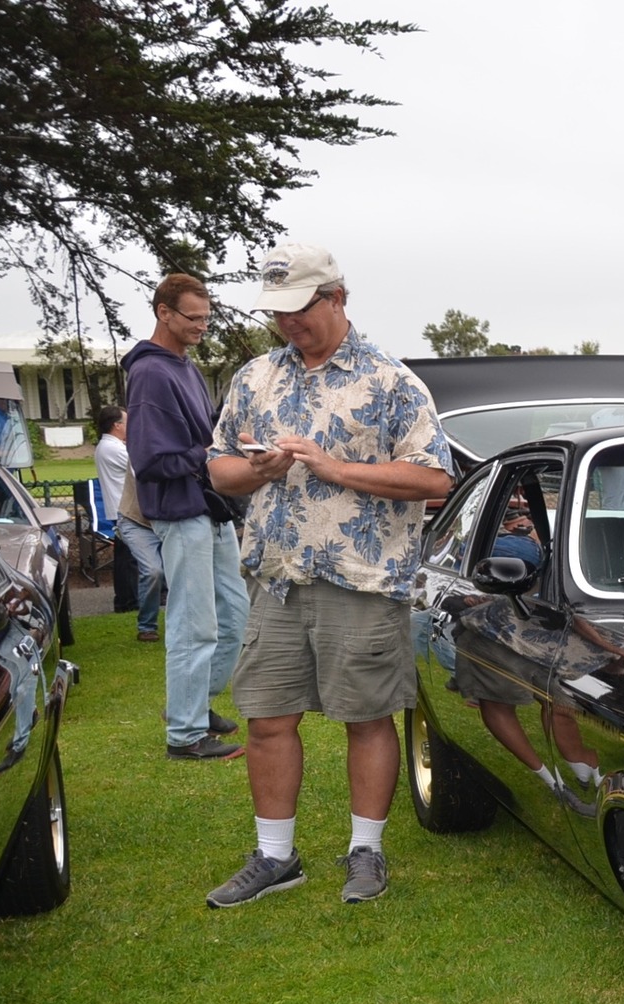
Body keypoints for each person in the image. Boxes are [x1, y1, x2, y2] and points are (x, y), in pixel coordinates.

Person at [204, 243, 453, 908]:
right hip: (275, 580)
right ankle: (275, 857)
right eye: (277, 312)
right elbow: (219, 469)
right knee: (265, 720)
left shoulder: (391, 381)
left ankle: (365, 851)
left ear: (337, 298)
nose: (287, 323)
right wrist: (256, 471)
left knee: (367, 718)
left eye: (300, 308)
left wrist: (336, 467)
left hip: (361, 583)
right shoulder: (255, 378)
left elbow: (434, 477)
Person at [123, 273, 248, 758]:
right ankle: (185, 734)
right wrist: (208, 458)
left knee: (235, 616)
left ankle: (191, 704)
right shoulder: (151, 372)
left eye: (207, 318)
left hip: (210, 509)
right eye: (193, 318)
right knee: (193, 624)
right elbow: (150, 461)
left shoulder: (184, 365)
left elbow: (210, 435)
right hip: (180, 511)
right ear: (164, 312)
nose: (202, 326)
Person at [93, 405, 164, 640]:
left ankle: (132, 603)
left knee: (133, 564)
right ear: (117, 425)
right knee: (138, 566)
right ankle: (134, 610)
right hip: (128, 513)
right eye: (127, 422)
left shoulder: (112, 447)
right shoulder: (113, 448)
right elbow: (143, 469)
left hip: (148, 513)